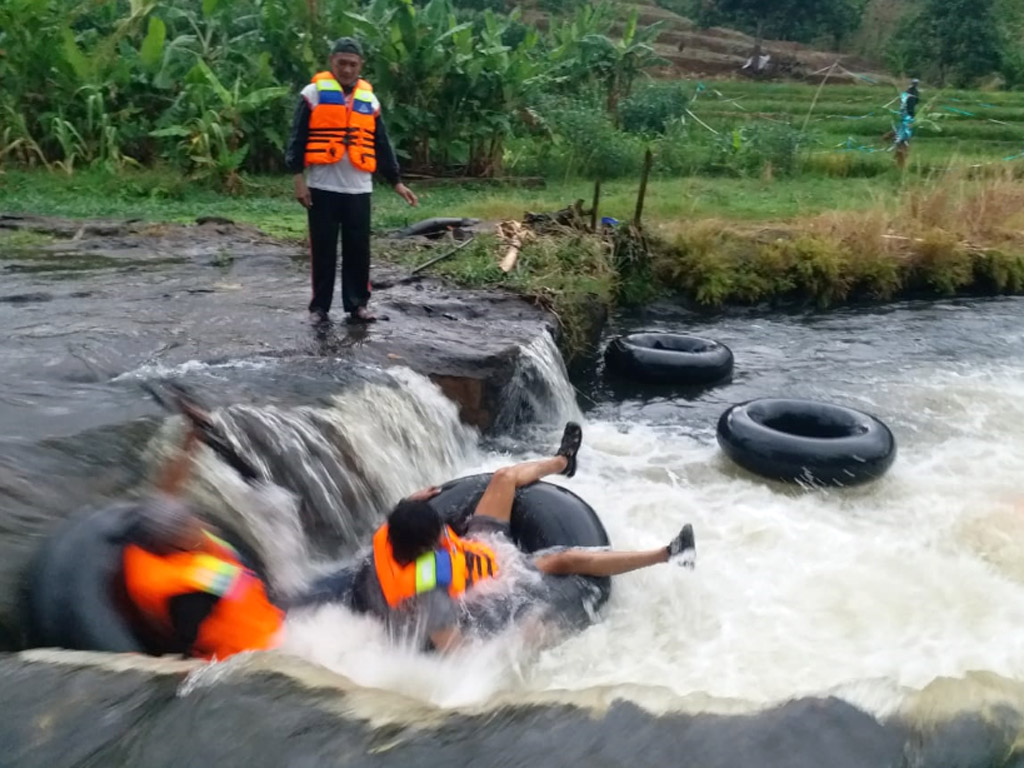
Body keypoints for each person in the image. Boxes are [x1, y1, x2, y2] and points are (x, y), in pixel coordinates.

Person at [353, 422, 696, 653]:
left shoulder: (389, 533)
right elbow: (455, 652)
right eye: (438, 533)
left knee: (503, 478)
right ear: (426, 547)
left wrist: (414, 499)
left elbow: (403, 511)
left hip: (481, 549)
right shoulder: (430, 588)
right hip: (500, 578)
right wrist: (515, 641)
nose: (444, 531)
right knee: (567, 560)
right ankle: (669, 554)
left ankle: (563, 461)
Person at [120, 408, 285, 660]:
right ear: (175, 542)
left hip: (272, 618)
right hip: (253, 653)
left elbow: (167, 492)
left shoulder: (158, 539)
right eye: (189, 524)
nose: (199, 523)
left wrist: (193, 436)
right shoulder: (191, 591)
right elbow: (187, 646)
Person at [284, 37, 419, 326]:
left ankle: (357, 305)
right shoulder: (313, 94)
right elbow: (298, 137)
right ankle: (319, 308)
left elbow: (381, 143)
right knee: (323, 250)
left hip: (359, 189)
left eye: (352, 64)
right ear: (331, 62)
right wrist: (298, 179)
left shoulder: (369, 99)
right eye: (341, 63)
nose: (346, 69)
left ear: (361, 66)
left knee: (358, 249)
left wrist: (396, 181)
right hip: (322, 187)